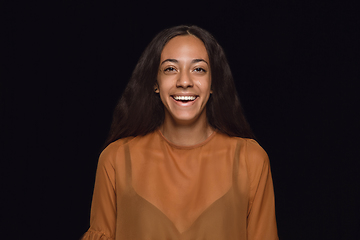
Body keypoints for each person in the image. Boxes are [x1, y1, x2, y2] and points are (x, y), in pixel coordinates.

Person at [81, 25, 278, 240]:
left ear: (213, 83)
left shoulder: (251, 161)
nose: (184, 82)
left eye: (199, 69)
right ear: (155, 83)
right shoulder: (116, 159)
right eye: (170, 69)